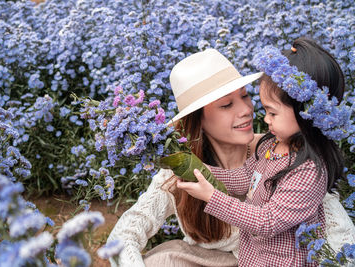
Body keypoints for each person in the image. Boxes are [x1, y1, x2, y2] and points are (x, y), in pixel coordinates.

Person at [107, 46, 355, 267]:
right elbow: (124, 235)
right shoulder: (182, 169)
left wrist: (212, 197)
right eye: (227, 105)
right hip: (218, 261)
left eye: (245, 96)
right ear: (198, 121)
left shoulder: (284, 155)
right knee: (160, 261)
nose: (247, 110)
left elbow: (340, 237)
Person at [177, 38, 355, 266]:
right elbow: (245, 178)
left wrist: (212, 196)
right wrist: (198, 171)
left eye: (272, 112)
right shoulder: (272, 145)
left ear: (304, 113)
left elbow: (267, 222)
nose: (265, 119)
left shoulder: (309, 170)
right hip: (254, 258)